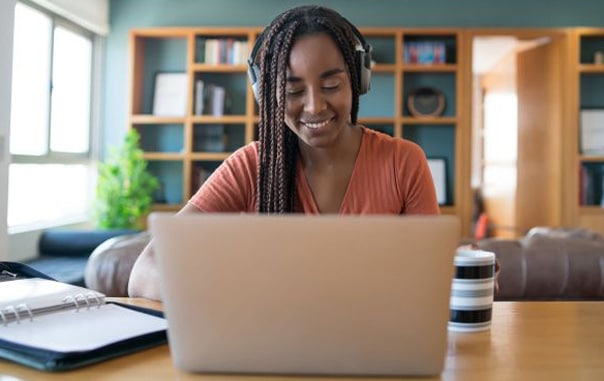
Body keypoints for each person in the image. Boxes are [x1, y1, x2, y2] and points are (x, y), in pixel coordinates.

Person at [128, 5, 439, 300]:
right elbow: (145, 272)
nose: (315, 106)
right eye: (292, 91)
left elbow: (434, 281)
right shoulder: (250, 166)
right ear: (267, 94)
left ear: (358, 81)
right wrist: (227, 296)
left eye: (331, 85)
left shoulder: (403, 162)